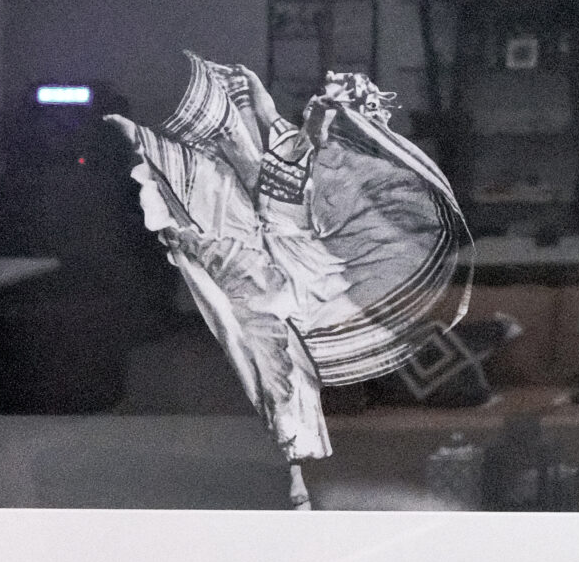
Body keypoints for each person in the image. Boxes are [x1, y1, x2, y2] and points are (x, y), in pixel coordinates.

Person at [108, 54, 471, 508]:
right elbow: (267, 114)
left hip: (292, 260)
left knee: (274, 354)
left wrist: (330, 112)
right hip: (258, 230)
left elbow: (320, 136)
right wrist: (250, 85)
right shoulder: (287, 136)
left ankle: (293, 468)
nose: (321, 96)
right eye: (324, 92)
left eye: (333, 95)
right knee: (212, 188)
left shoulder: (332, 154)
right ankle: (284, 466)